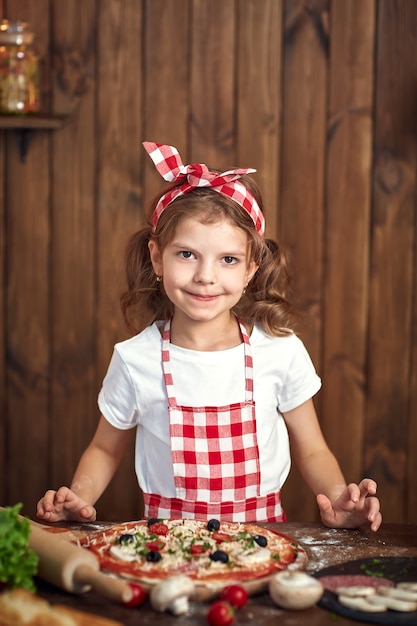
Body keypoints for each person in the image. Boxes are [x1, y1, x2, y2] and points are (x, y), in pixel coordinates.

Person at [37, 142, 382, 531]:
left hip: (262, 546)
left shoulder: (280, 351)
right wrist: (78, 497)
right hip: (166, 551)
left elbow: (313, 448)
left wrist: (338, 497)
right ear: (156, 257)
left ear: (252, 267)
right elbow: (103, 448)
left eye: (228, 259)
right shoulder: (135, 359)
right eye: (186, 255)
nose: (205, 276)